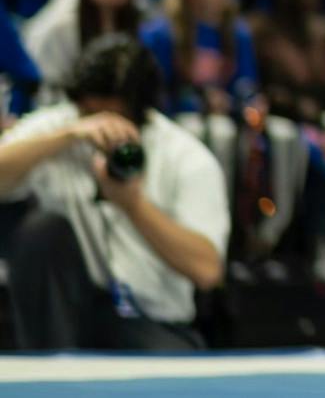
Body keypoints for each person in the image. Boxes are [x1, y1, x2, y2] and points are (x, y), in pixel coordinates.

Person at [0, 34, 228, 349]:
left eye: (114, 117)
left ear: (142, 113)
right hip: (69, 320)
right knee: (41, 231)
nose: (104, 127)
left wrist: (133, 205)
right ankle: (52, 365)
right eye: (91, 114)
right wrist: (67, 136)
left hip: (151, 322)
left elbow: (207, 270)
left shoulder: (187, 158)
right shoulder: (62, 128)